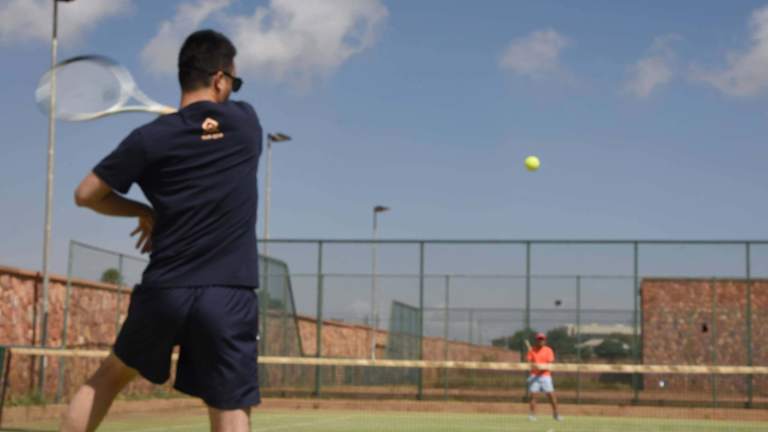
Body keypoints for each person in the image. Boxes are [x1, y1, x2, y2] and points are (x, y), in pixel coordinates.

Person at [60, 29, 262, 432]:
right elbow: (208, 127)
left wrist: (142, 210)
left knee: (108, 378)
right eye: (234, 82)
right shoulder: (246, 123)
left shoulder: (149, 139)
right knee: (229, 405)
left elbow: (85, 195)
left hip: (165, 290)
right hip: (226, 294)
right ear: (220, 79)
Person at [527, 333, 562, 422]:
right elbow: (529, 363)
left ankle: (556, 414)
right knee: (533, 396)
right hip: (534, 376)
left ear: (545, 340)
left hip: (546, 376)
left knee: (551, 396)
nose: (540, 341)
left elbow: (549, 364)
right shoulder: (532, 350)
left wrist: (541, 368)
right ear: (536, 340)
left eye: (542, 339)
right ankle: (532, 415)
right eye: (539, 339)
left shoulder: (548, 350)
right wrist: (534, 366)